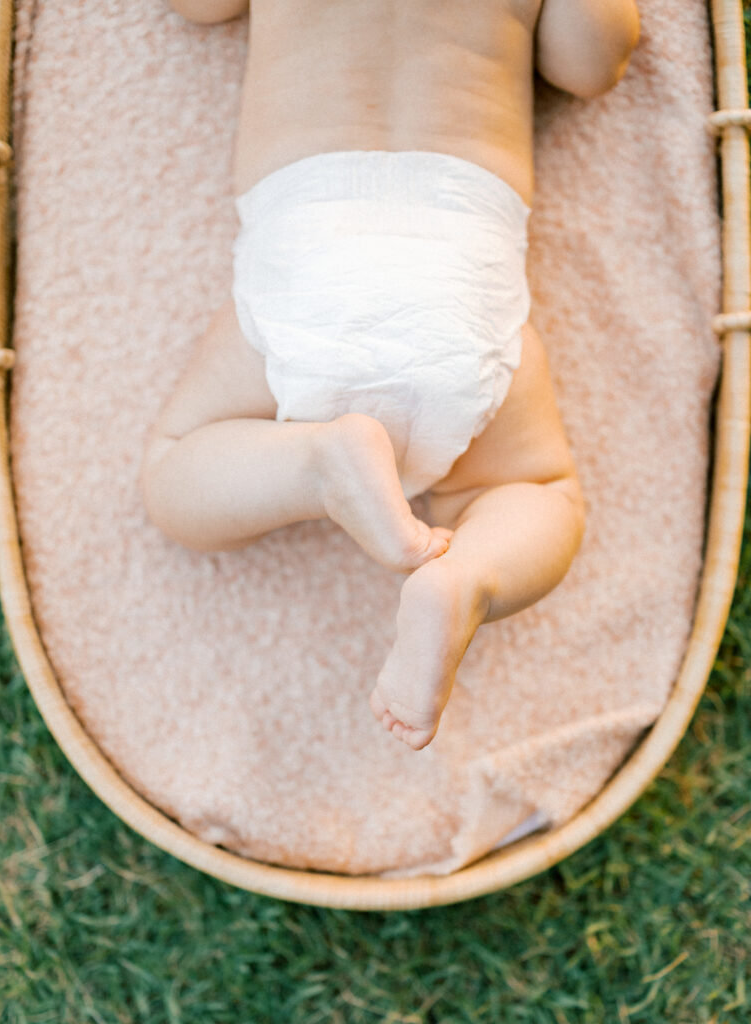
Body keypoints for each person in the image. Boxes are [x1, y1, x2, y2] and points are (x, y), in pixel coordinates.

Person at [141, 0, 640, 750]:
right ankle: (465, 577)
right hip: (458, 264)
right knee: (537, 494)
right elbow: (593, 66)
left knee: (174, 469)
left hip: (310, 244)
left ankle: (316, 463)